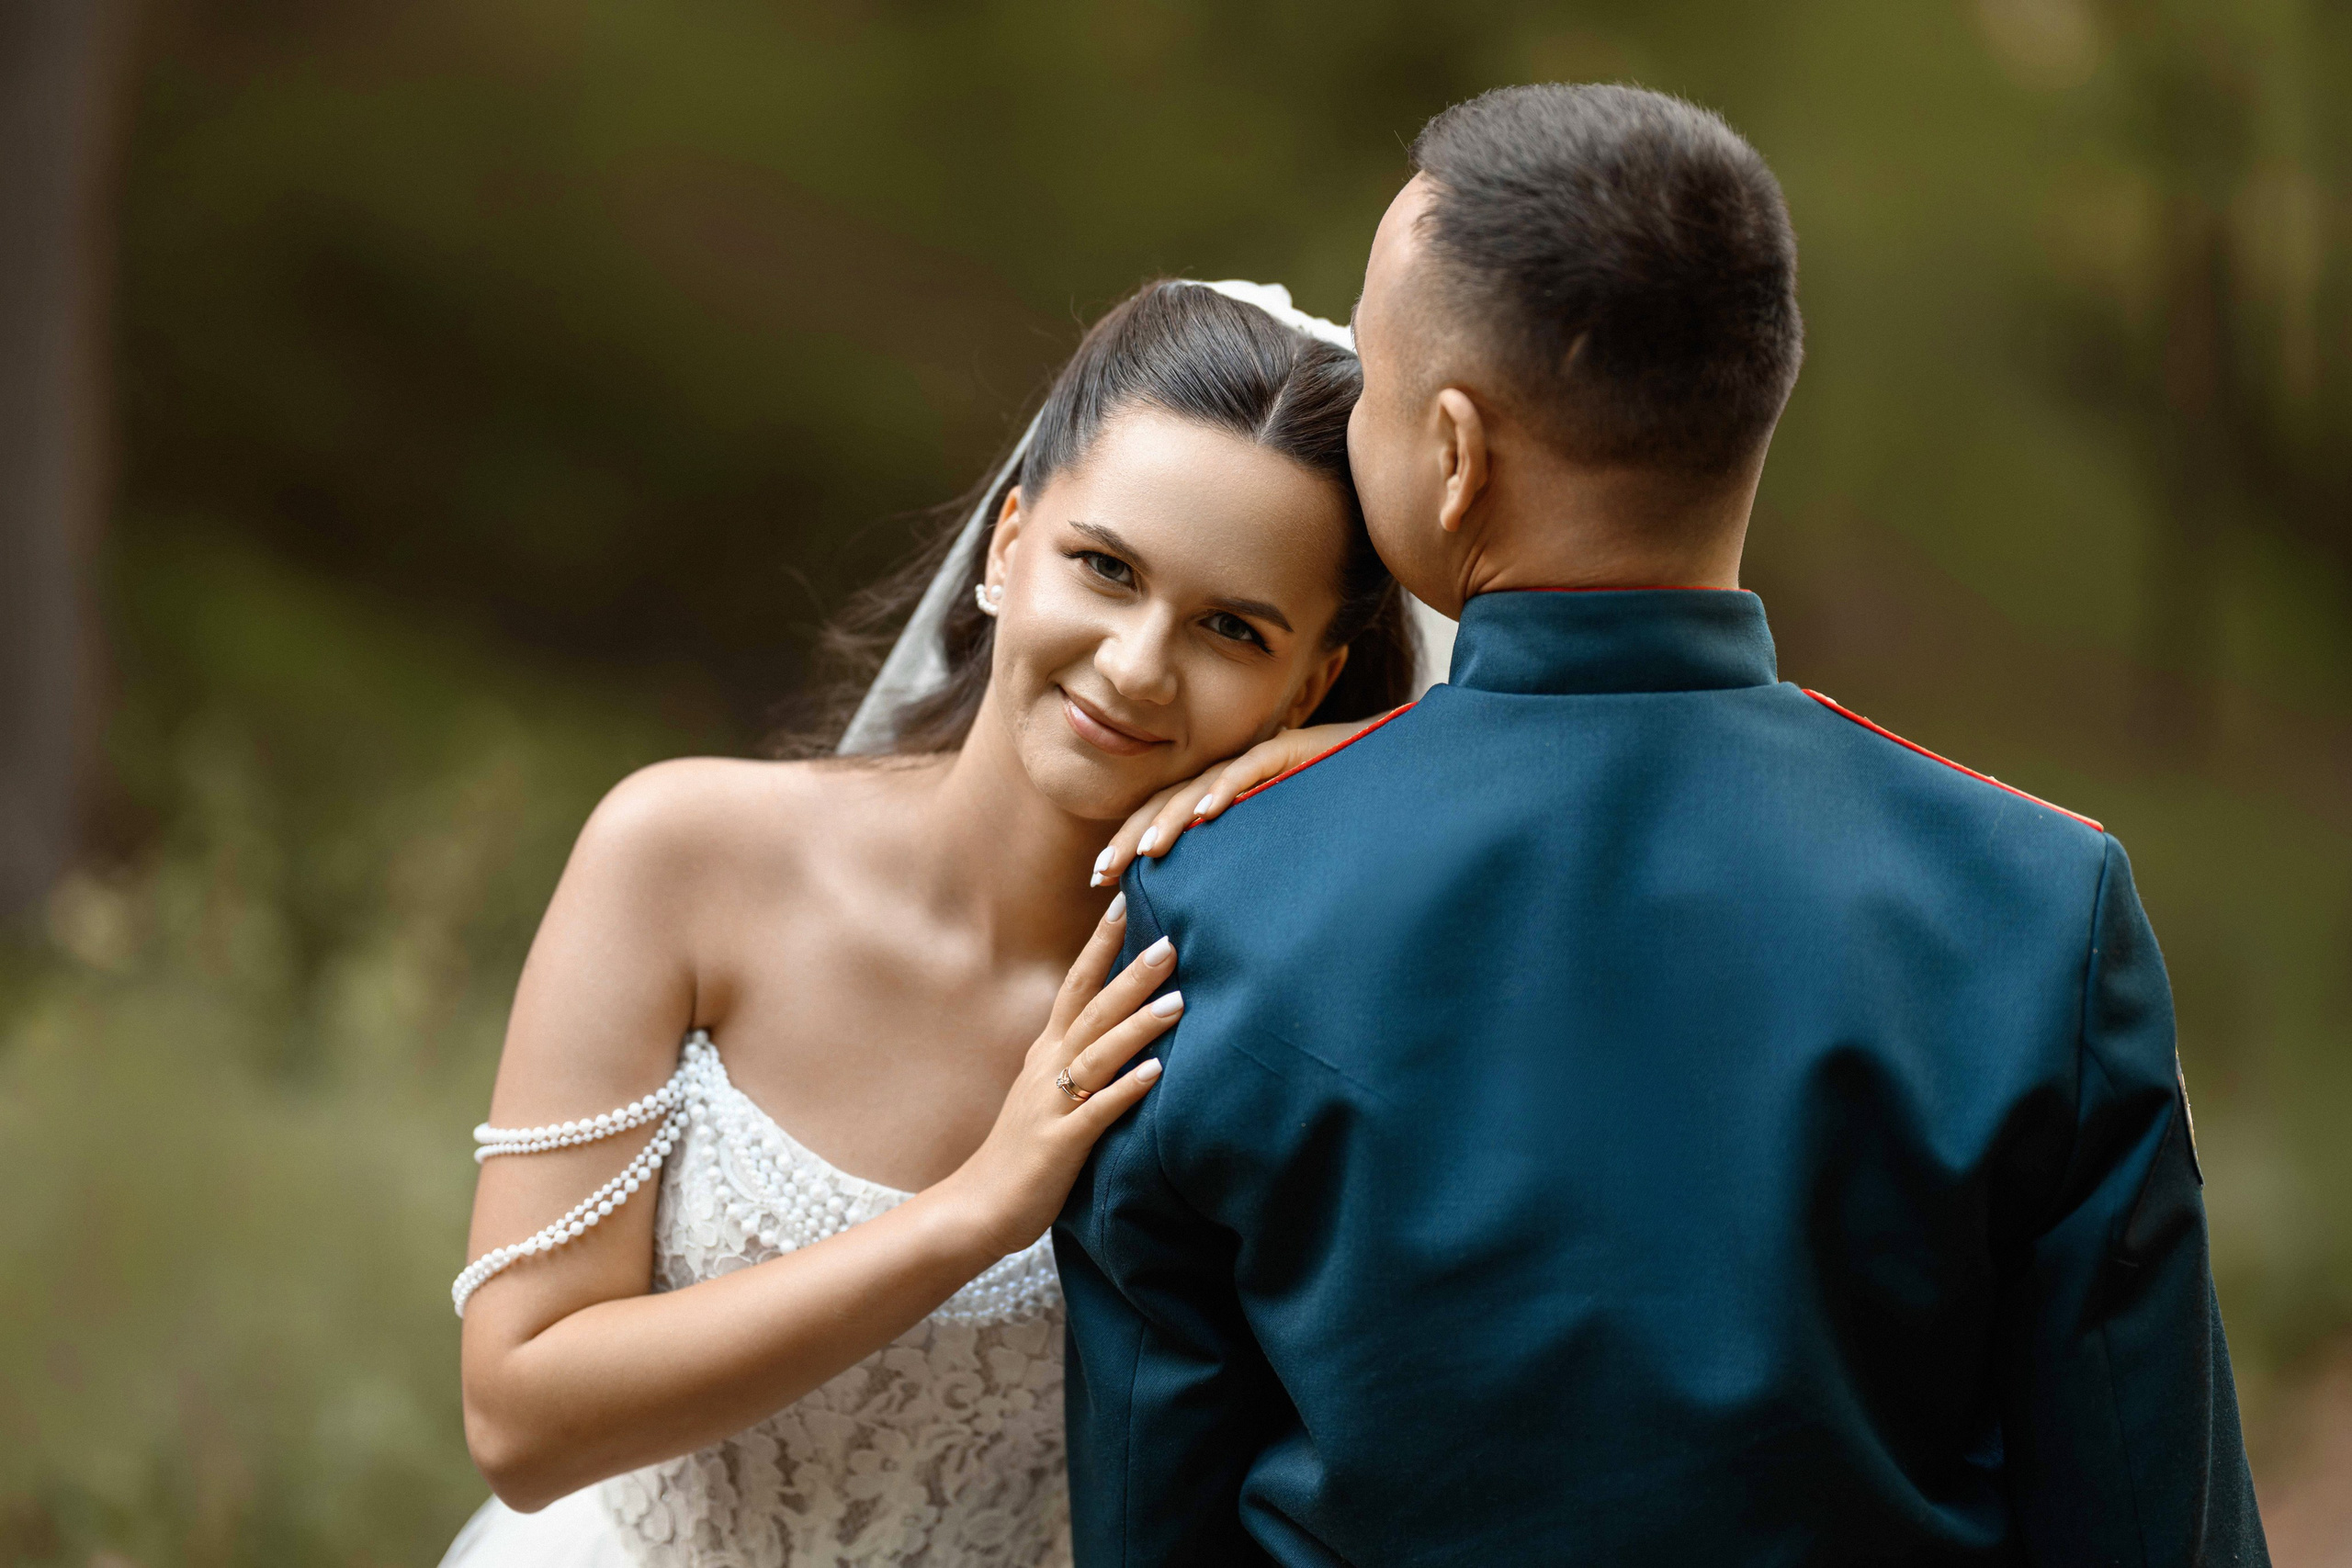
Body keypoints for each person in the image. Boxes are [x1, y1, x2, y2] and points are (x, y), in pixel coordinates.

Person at [1057, 84, 2270, 1565]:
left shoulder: (1217, 897)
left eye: (1365, 376)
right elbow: (2155, 1519)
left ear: (1454, 451)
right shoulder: (2038, 905)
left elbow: (1153, 1515)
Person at [438, 278, 1429, 1568]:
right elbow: (518, 1420)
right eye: (1106, 568)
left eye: (1231, 630)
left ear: (1314, 681)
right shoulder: (686, 857)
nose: (1136, 663)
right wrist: (974, 1215)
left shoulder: (1267, 1016)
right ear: (1010, 544)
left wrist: (1369, 758)